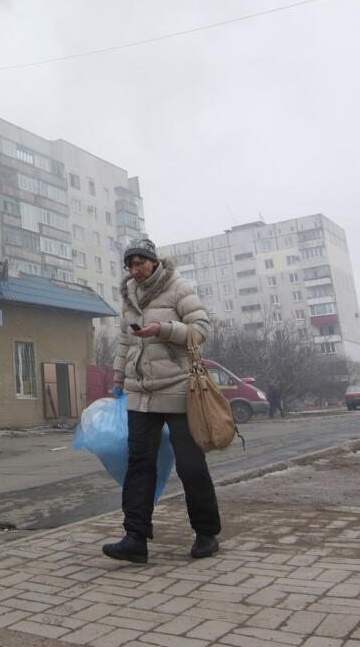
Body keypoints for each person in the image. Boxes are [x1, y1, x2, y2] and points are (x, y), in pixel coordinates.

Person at [103, 237, 218, 564]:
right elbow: (125, 341)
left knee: (191, 466)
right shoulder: (129, 296)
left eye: (140, 263)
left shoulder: (178, 287)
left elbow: (201, 330)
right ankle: (135, 538)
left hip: (179, 389)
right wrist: (118, 377)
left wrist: (163, 330)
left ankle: (206, 533)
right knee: (138, 466)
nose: (135, 270)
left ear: (153, 261)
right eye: (130, 265)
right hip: (141, 394)